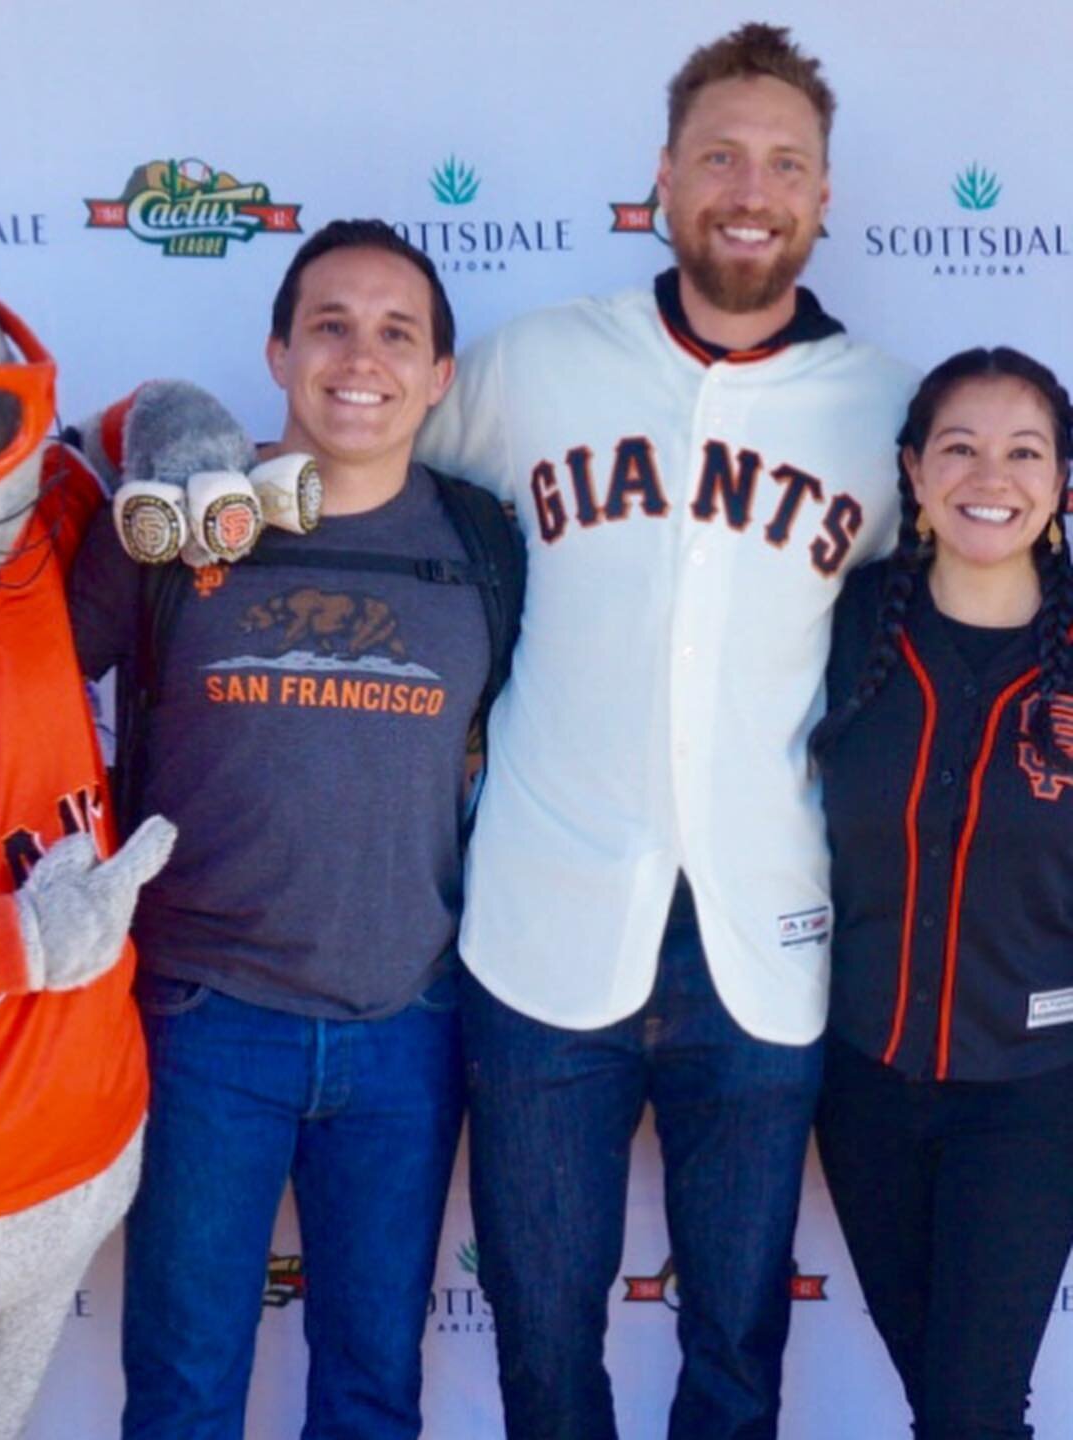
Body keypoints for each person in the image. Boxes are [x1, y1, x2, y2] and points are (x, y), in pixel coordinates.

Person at [414, 22, 915, 1440]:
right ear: (662, 180)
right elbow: (357, 454)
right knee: (544, 1352)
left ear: (823, 199)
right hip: (541, 919)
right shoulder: (537, 367)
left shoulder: (887, 411)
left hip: (766, 936)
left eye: (784, 164)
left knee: (738, 1355)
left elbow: (1001, 559)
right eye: (720, 157)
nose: (748, 189)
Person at [69, 219, 523, 1440]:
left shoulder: (484, 548)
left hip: (407, 1033)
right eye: (329, 325)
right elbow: (16, 688)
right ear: (276, 353)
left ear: (436, 377)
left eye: (396, 334)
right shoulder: (171, 524)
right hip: (202, 1022)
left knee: (373, 1394)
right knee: (182, 1390)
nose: (358, 357)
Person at [812, 348, 1073, 1440]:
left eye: (1024, 451)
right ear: (914, 473)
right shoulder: (839, 622)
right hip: (861, 1082)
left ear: (1062, 482)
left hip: (1030, 1096)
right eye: (959, 447)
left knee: (970, 1415)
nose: (990, 475)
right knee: (949, 1407)